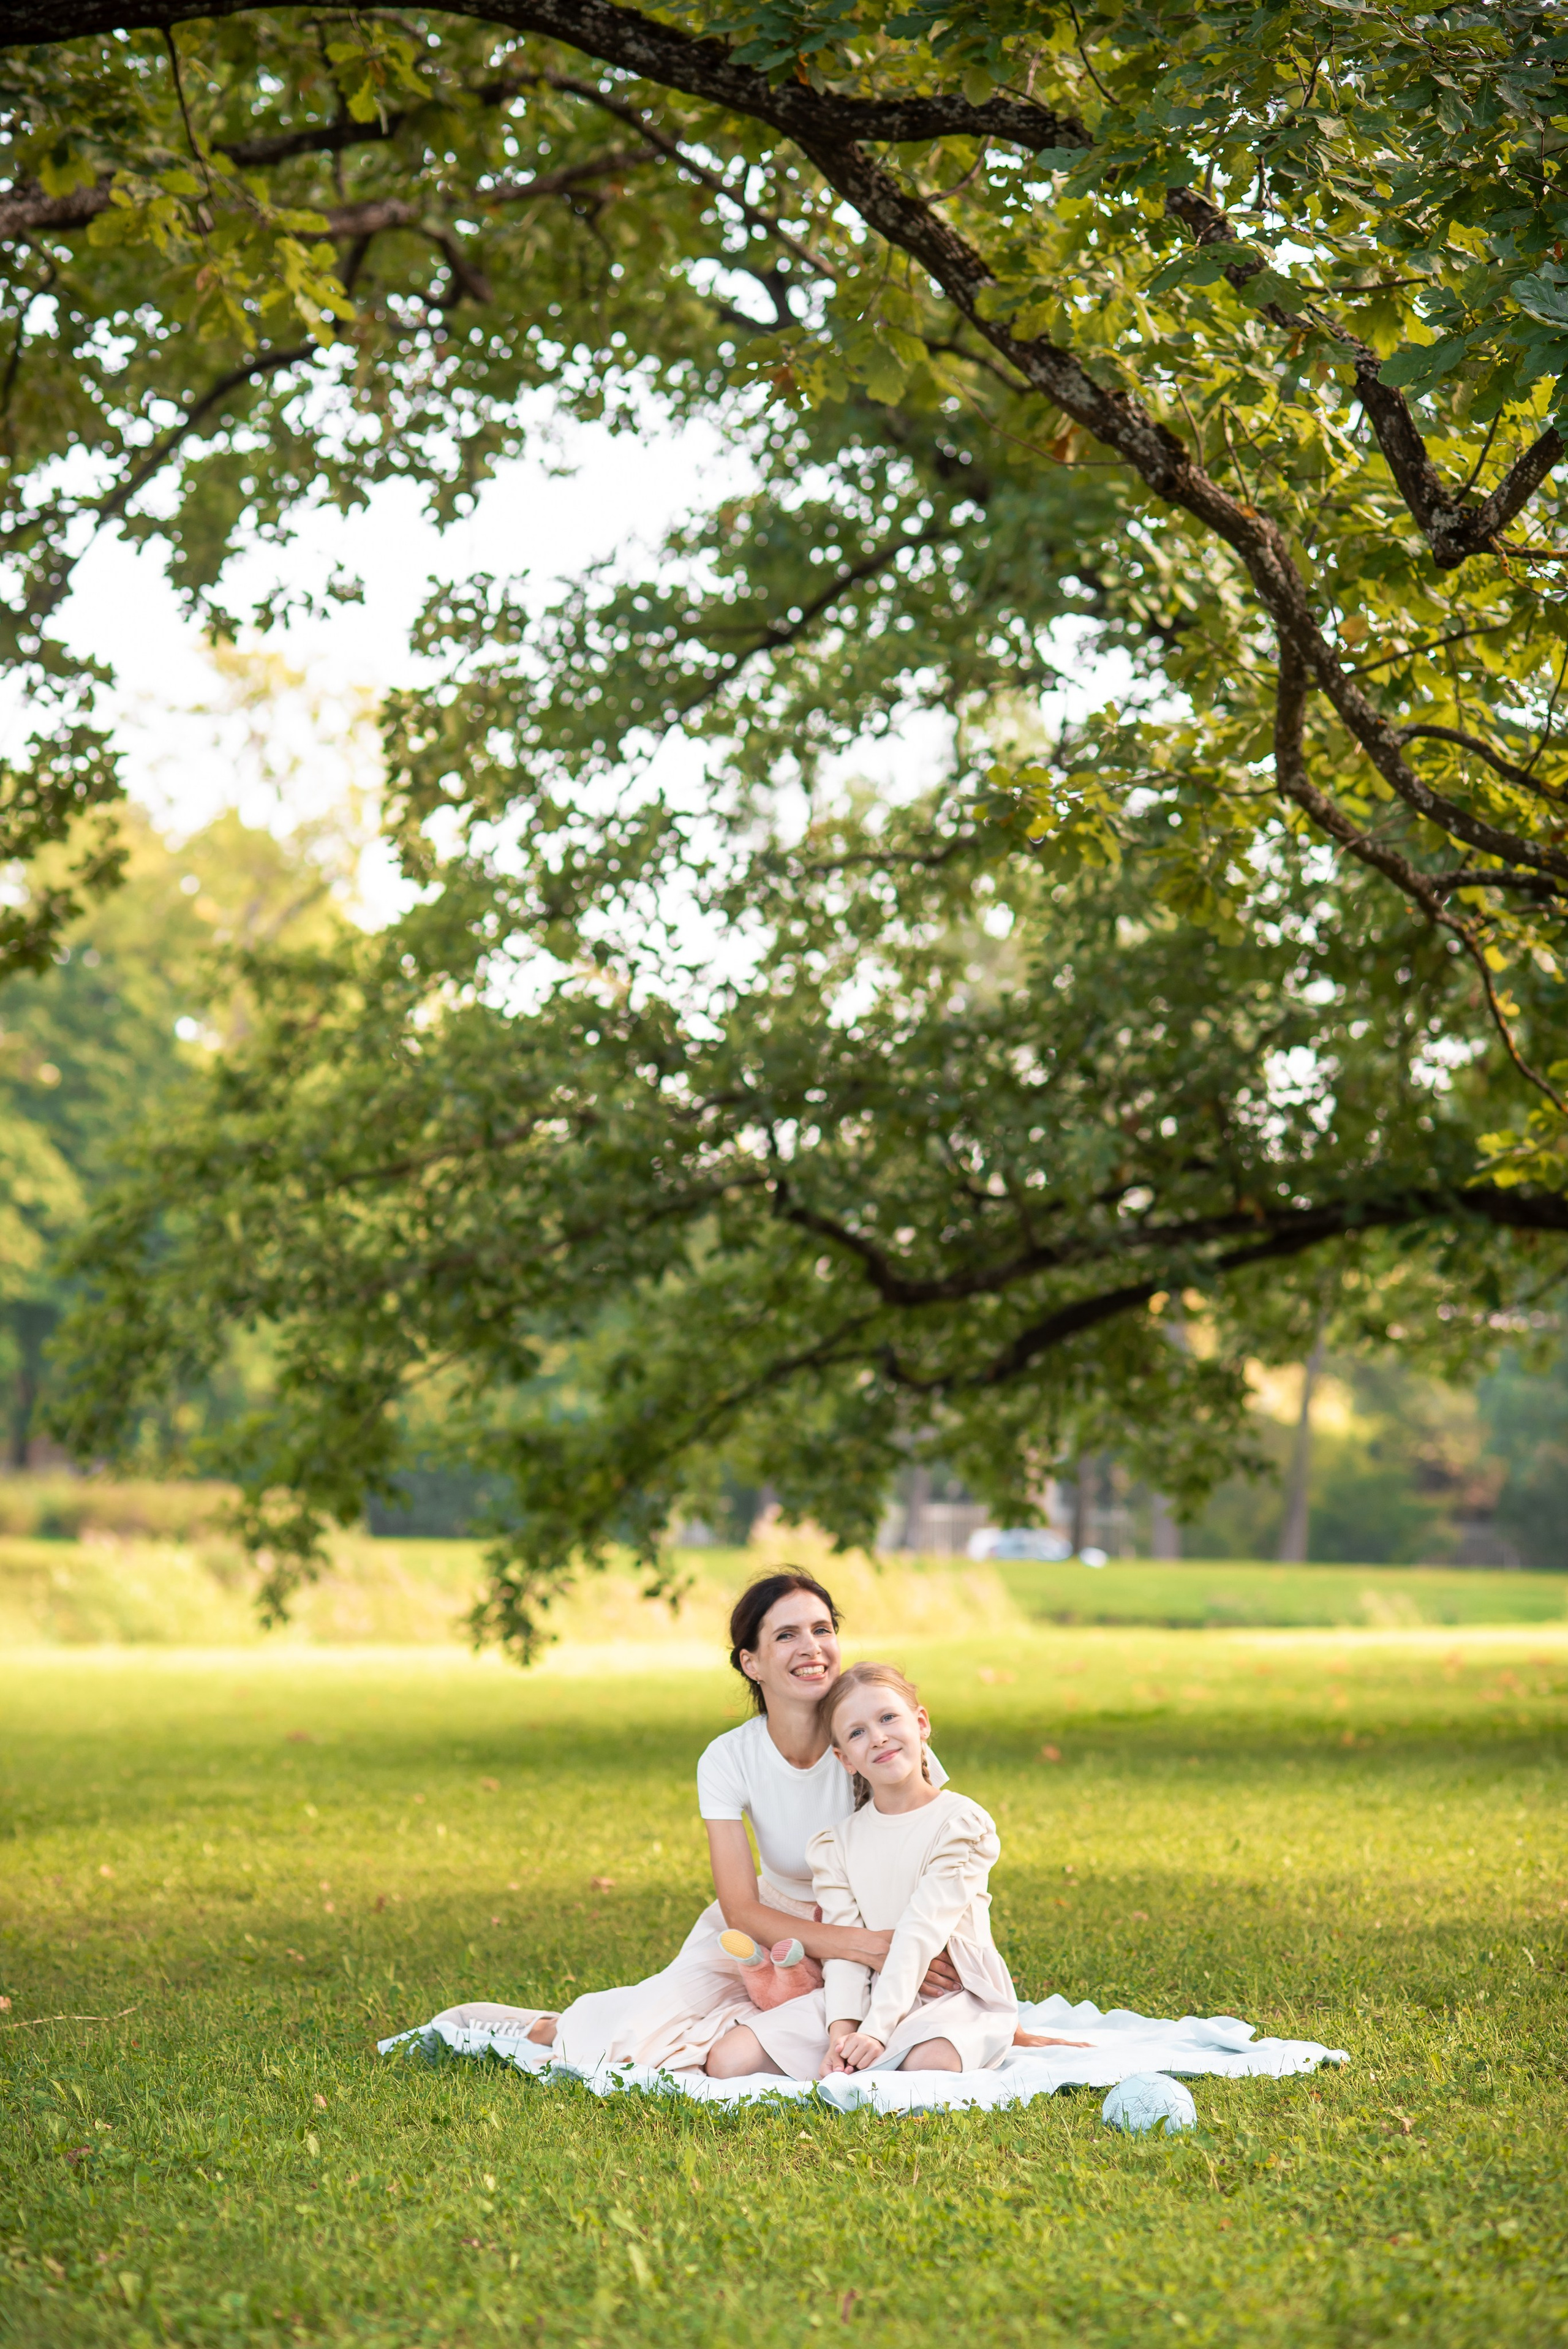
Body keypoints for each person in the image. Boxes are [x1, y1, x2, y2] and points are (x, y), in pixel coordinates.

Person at [427, 1570, 963, 2078]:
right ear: (751, 1662)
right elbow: (742, 1908)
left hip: (877, 1927)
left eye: (822, 1629)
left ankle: (750, 2027)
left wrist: (899, 1945)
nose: (812, 1648)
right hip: (772, 1929)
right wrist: (857, 1944)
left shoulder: (874, 1733)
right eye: (786, 1635)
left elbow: (938, 1839)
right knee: (634, 2037)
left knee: (825, 2038)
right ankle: (550, 2026)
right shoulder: (728, 1758)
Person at [810, 1661, 1017, 2076]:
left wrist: (877, 2031)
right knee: (735, 2057)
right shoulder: (837, 1845)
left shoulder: (961, 1823)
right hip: (871, 1993)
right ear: (844, 1757)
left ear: (920, 1722)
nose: (878, 1736)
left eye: (888, 1717)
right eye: (857, 1732)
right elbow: (845, 1951)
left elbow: (921, 1929)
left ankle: (895, 2050)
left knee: (928, 2061)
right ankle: (869, 2052)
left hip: (954, 1992)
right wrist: (843, 2037)